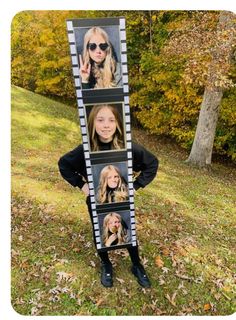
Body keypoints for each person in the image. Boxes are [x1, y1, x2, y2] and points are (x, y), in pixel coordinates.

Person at [58, 106, 159, 288]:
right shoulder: (86, 149)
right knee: (101, 231)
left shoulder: (127, 147)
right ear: (92, 123)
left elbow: (152, 163)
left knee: (128, 230)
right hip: (97, 202)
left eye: (111, 120)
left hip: (123, 200)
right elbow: (64, 164)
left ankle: (136, 265)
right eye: (100, 120)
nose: (106, 125)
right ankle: (106, 264)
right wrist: (81, 185)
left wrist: (135, 186)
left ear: (118, 123)